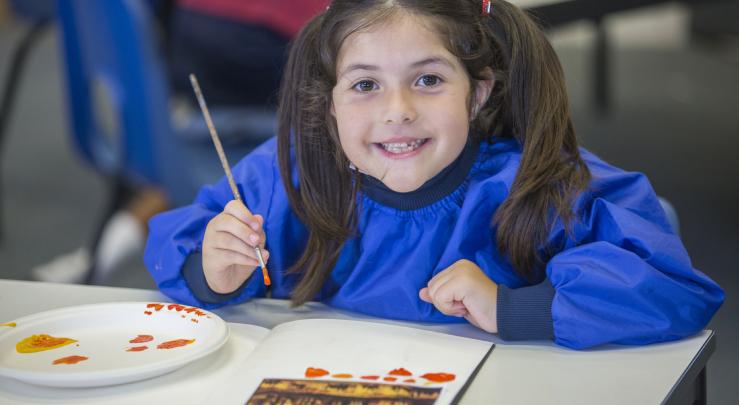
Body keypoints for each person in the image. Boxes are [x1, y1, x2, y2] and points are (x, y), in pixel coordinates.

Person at [144, 0, 724, 349]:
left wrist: (513, 307)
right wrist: (213, 270)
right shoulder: (288, 175)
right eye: (365, 85)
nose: (397, 110)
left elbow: (672, 289)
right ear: (330, 105)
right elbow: (179, 243)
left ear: (478, 93)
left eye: (428, 80)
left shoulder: (538, 185)